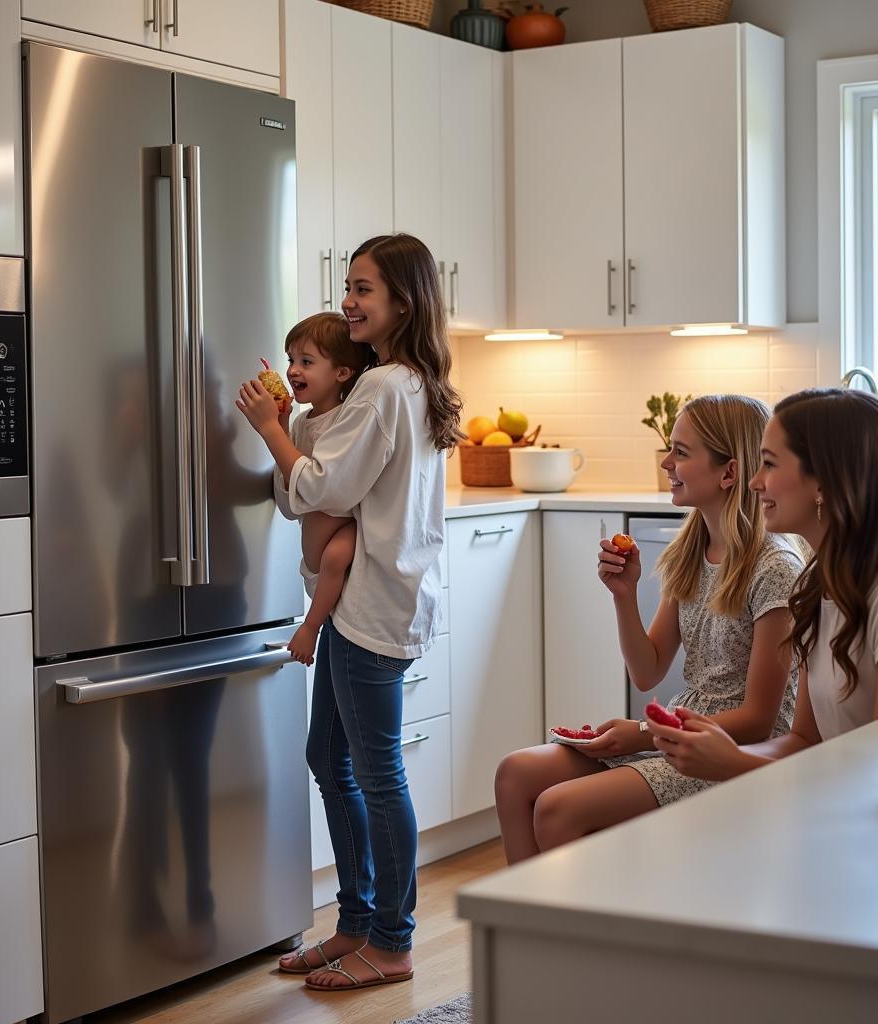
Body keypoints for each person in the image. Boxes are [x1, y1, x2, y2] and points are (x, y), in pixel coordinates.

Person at [236, 233, 461, 991]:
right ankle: (357, 922)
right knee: (330, 760)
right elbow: (323, 477)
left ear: (404, 299)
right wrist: (290, 422)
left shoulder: (388, 387)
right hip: (363, 605)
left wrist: (271, 429)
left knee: (374, 771)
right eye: (348, 286)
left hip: (371, 607)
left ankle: (391, 940)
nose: (349, 300)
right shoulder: (396, 384)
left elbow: (321, 490)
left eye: (364, 288)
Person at [495, 395, 803, 864]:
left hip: (730, 749)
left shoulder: (774, 567)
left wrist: (642, 733)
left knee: (558, 809)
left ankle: (585, 936)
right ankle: (522, 935)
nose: (666, 463)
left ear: (729, 472)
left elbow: (760, 719)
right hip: (679, 731)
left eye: (680, 452)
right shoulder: (691, 550)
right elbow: (647, 671)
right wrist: (624, 594)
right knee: (515, 774)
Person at [647, 388, 878, 779]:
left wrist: (733, 764)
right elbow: (803, 741)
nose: (754, 483)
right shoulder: (816, 586)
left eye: (769, 464)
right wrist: (713, 749)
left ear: (823, 483)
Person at [266, 312, 376, 666]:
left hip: (342, 539)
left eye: (307, 362)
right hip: (310, 563)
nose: (293, 370)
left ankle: (310, 628)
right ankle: (317, 624)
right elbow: (290, 503)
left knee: (335, 557)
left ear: (342, 373)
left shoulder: (347, 419)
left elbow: (322, 488)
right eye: (291, 360)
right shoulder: (301, 423)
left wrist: (270, 430)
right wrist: (280, 427)